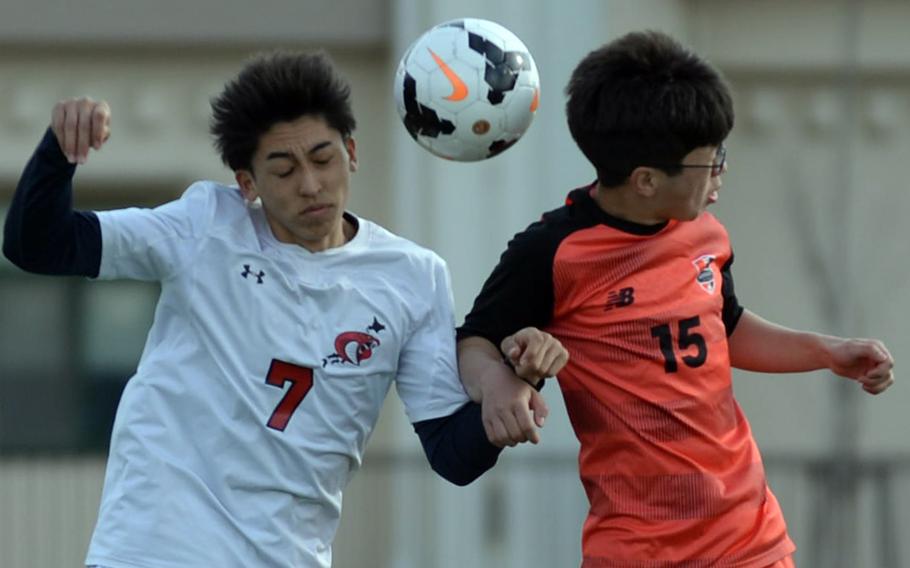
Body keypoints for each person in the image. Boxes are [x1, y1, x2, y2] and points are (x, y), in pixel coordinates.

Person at [2, 50, 567, 568]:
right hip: (156, 546)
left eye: (323, 158)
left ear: (351, 152)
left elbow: (453, 455)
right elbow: (39, 245)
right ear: (247, 183)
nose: (311, 184)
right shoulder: (204, 225)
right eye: (283, 169)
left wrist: (509, 388)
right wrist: (59, 152)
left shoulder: (413, 277)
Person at [456, 30, 895, 568]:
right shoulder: (551, 252)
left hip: (751, 540)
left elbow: (725, 328)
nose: (721, 172)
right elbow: (473, 340)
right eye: (707, 162)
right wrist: (499, 381)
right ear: (644, 180)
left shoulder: (705, 234)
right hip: (639, 549)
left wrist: (826, 352)